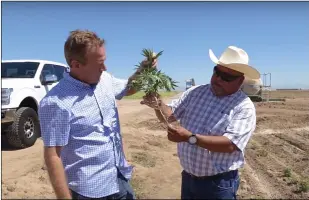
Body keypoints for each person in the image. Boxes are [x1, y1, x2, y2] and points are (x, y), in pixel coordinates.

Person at [38, 29, 157, 199]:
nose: (105, 67)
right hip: (89, 190)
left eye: (104, 61)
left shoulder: (105, 79)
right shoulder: (55, 102)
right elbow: (53, 155)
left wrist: (144, 70)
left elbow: (129, 88)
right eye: (99, 63)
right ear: (76, 64)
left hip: (119, 176)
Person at [141, 46, 260, 199]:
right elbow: (171, 116)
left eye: (227, 77)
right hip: (189, 178)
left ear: (240, 81)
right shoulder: (196, 92)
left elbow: (230, 144)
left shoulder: (244, 106)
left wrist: (189, 137)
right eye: (217, 72)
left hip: (217, 185)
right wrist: (158, 104)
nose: (218, 79)